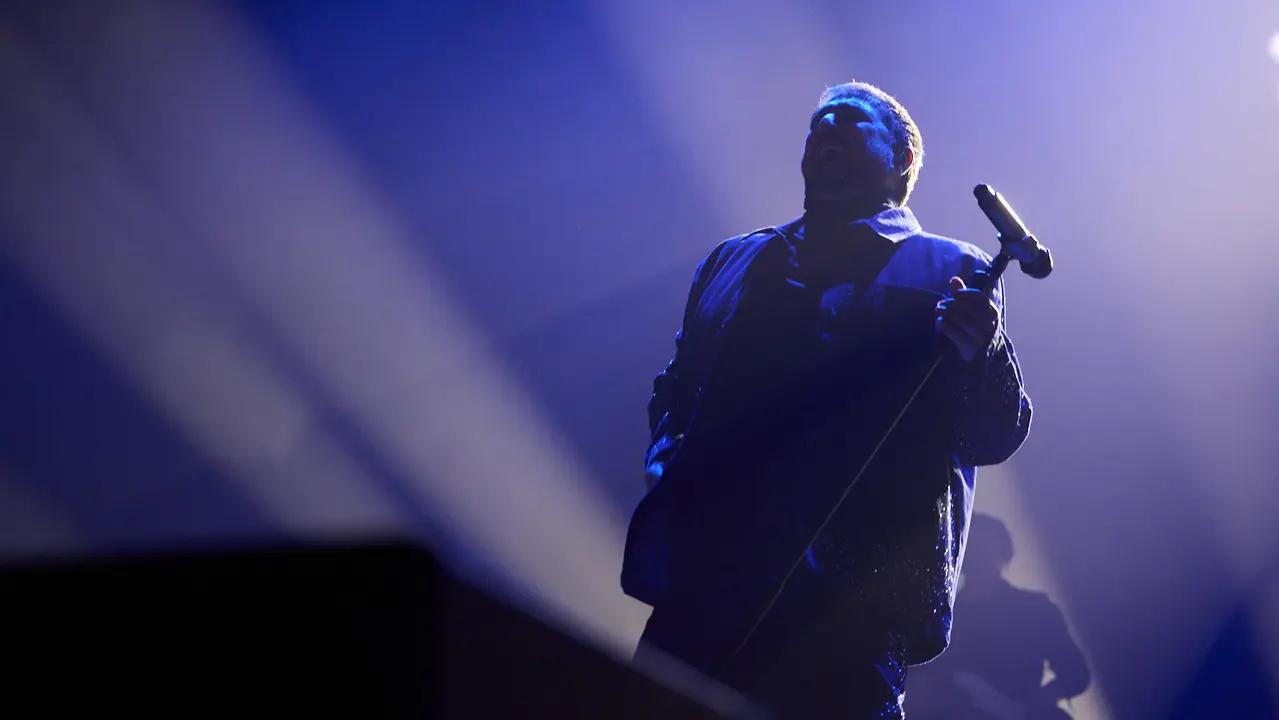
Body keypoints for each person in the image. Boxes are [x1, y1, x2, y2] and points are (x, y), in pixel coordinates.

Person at [622, 80, 1033, 719]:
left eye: (849, 124)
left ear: (902, 163)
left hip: (851, 606)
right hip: (707, 578)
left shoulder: (950, 267)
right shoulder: (737, 260)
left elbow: (991, 433)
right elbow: (677, 389)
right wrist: (671, 469)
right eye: (817, 128)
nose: (825, 134)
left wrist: (984, 353)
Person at [907, 514, 1090, 719]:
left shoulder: (1033, 609)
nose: (978, 555)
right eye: (973, 546)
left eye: (984, 548)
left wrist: (1034, 705)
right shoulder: (941, 618)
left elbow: (1076, 673)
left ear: (1003, 553)